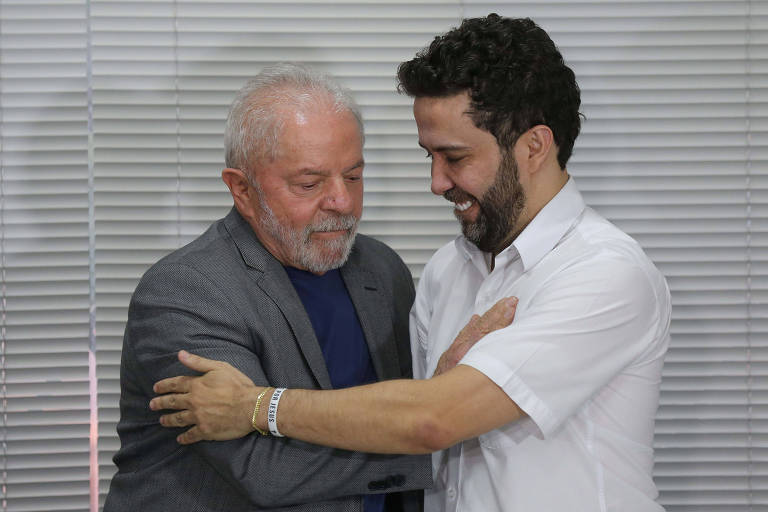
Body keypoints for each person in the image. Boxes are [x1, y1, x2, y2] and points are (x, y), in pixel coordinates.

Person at [151, 14, 672, 512]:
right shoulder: (449, 269)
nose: (437, 183)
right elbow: (419, 420)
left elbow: (431, 420)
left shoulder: (604, 274)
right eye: (430, 156)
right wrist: (432, 397)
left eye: (455, 157)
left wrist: (255, 406)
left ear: (534, 146)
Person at [102, 63, 438, 512]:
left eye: (354, 176)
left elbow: (399, 404)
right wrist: (437, 438)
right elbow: (265, 468)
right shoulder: (185, 291)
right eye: (309, 183)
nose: (342, 202)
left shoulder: (381, 268)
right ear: (242, 189)